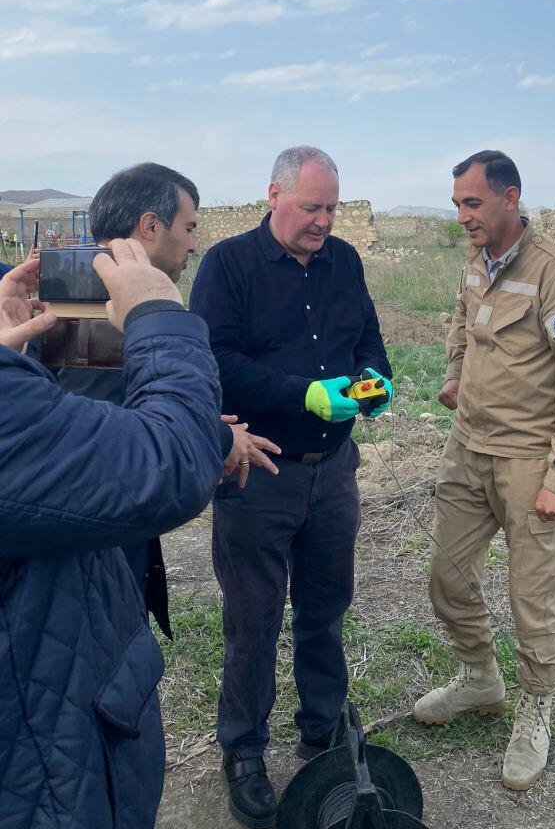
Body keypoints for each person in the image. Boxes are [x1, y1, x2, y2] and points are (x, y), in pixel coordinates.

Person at [190, 145, 393, 828]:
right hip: (259, 470)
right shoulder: (228, 266)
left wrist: (372, 383)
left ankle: (321, 728)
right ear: (273, 196)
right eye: (311, 208)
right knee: (253, 618)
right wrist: (302, 392)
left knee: (326, 606)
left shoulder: (345, 262)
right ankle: (244, 750)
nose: (323, 222)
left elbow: (368, 340)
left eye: (331, 208)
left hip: (332, 471)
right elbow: (214, 360)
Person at [0, 241, 225, 828]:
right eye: (188, 227)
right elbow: (169, 461)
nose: (194, 242)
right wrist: (158, 314)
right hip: (41, 776)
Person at [413, 150, 555, 791]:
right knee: (447, 576)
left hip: (529, 459)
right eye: (457, 204)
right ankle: (480, 679)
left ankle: (536, 709)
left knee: (534, 598)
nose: (462, 216)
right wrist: (454, 374)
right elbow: (462, 325)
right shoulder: (476, 262)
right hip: (467, 448)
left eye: (472, 203)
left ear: (510, 198)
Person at [35, 163, 279, 639]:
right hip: (95, 557)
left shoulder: (72, 284)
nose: (193, 244)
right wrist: (216, 437)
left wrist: (206, 426)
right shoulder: (98, 302)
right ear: (150, 226)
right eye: (188, 228)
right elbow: (106, 431)